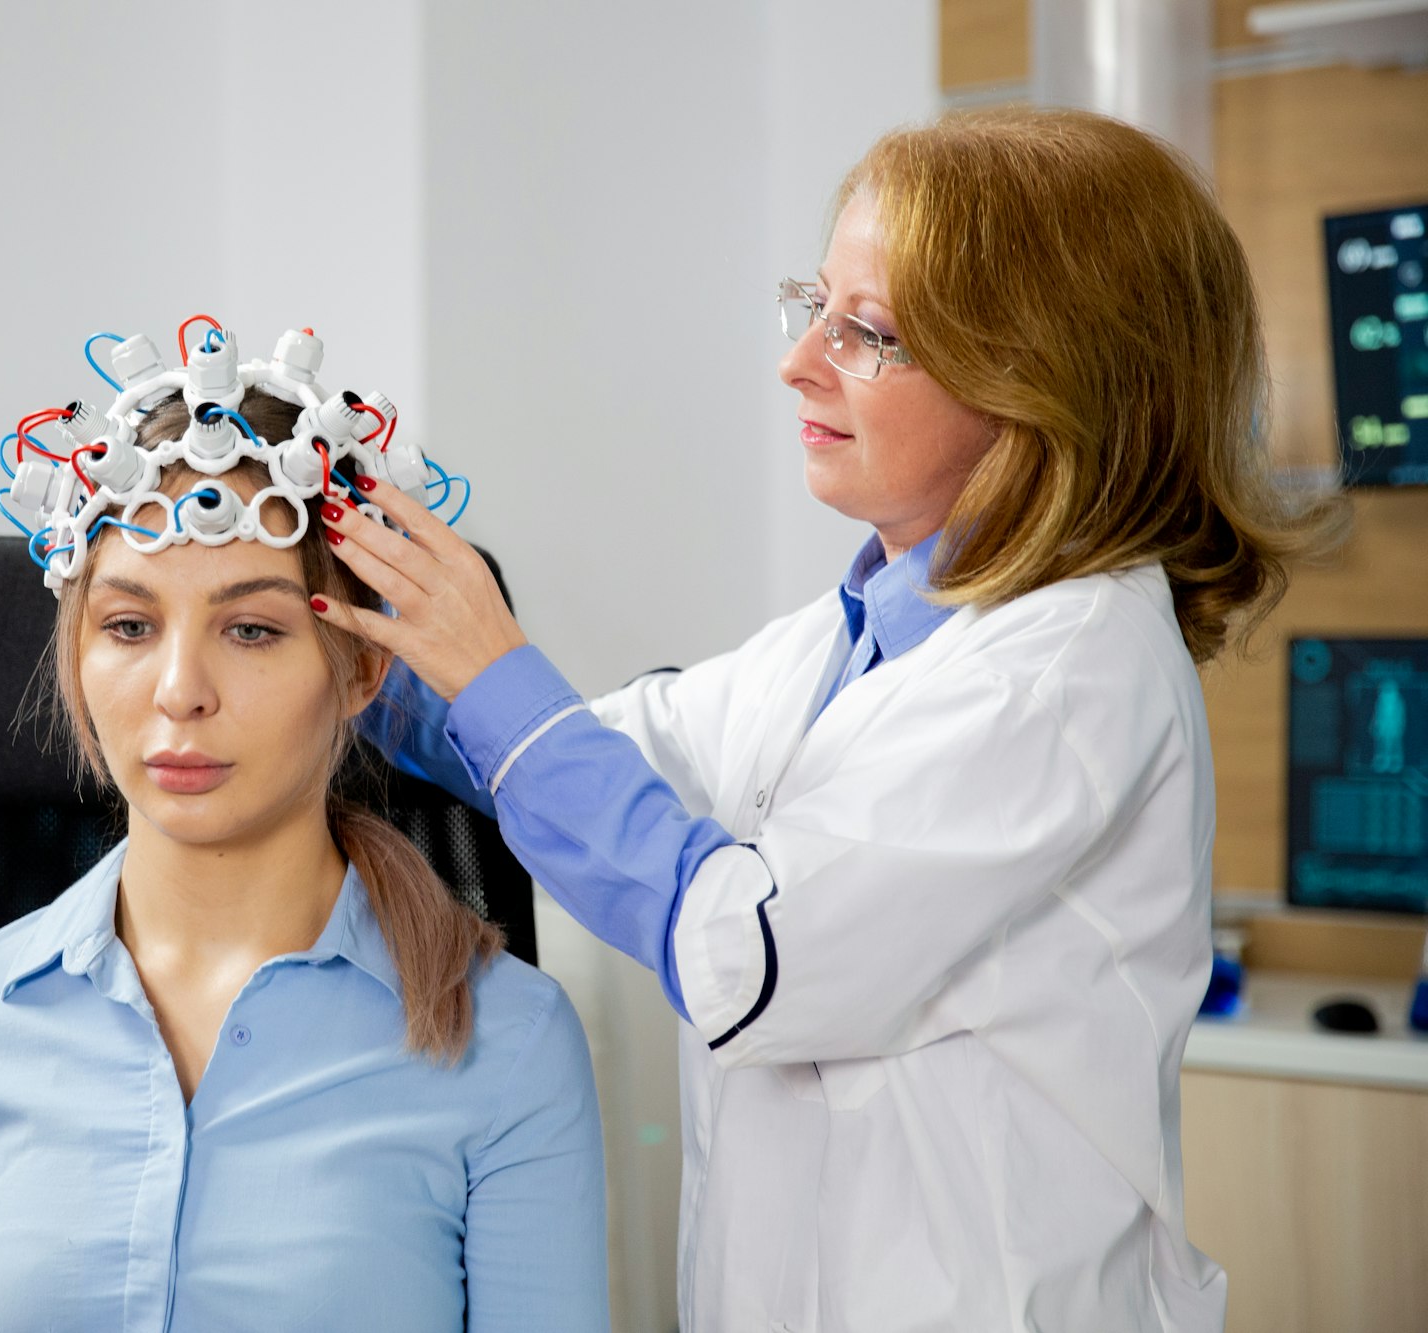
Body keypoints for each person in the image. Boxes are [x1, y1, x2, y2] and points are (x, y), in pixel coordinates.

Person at [318, 108, 1345, 1331]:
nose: (797, 362)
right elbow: (593, 760)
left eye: (868, 334)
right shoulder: (857, 632)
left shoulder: (1061, 675)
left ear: (1044, 382)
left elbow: (739, 954)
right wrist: (349, 642)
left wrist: (495, 666)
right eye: (815, 304)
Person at [0, 390, 608, 1331]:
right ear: (77, 657)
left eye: (251, 629)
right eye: (129, 627)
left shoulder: (509, 1042)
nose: (180, 693)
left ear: (362, 668)